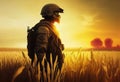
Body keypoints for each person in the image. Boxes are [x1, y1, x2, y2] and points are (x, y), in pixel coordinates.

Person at [33, 3, 64, 81]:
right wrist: (41, 69)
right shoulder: (44, 29)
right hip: (47, 70)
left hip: (52, 69)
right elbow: (40, 49)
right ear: (50, 13)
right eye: (56, 13)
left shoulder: (50, 28)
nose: (59, 16)